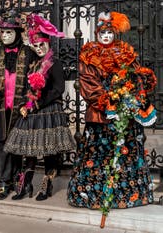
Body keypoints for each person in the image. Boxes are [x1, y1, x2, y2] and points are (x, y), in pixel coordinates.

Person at [67, 12, 157, 226]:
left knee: (125, 152)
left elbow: (134, 78)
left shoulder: (125, 52)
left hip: (125, 114)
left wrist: (130, 93)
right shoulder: (89, 54)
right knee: (99, 153)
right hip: (101, 114)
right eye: (103, 32)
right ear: (97, 33)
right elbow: (88, 84)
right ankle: (94, 195)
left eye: (110, 32)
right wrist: (109, 101)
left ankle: (128, 195)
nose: (106, 36)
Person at [4, 13, 75, 201]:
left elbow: (58, 89)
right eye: (35, 46)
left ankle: (46, 184)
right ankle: (25, 183)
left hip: (49, 111)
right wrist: (26, 104)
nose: (38, 49)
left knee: (49, 151)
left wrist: (38, 103)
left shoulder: (55, 63)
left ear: (48, 43)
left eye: (41, 45)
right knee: (30, 150)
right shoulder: (34, 64)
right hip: (33, 112)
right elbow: (28, 87)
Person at [0, 9, 39, 200]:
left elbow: (37, 80)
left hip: (22, 110)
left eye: (9, 32)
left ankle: (20, 182)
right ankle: (3, 184)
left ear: (17, 34)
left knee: (20, 148)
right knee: (3, 148)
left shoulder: (30, 54)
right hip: (1, 109)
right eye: (3, 32)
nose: (5, 35)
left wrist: (29, 101)